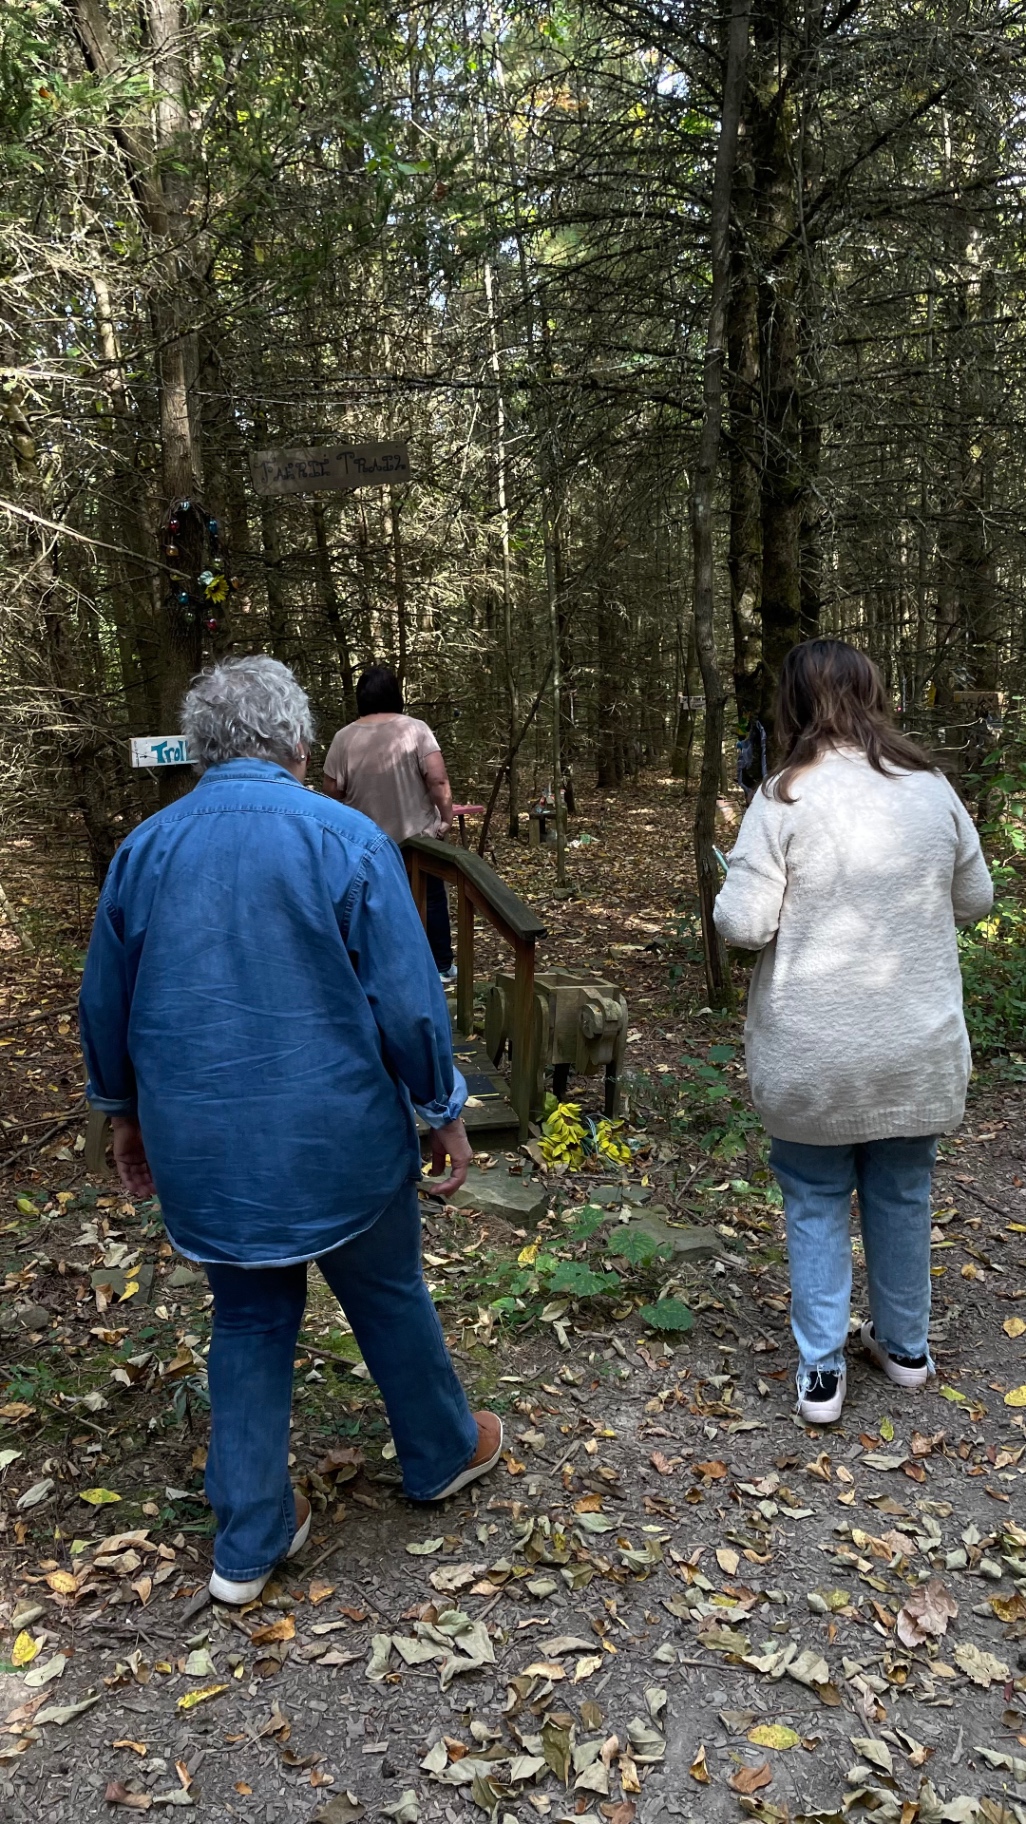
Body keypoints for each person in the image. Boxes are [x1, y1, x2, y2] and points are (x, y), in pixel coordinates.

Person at [79, 656, 502, 1605]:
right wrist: (441, 1109)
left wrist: (122, 1114)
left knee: (248, 1316)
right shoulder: (344, 839)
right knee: (387, 1290)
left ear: (201, 749)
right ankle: (441, 1452)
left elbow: (104, 1005)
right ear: (298, 743)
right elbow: (408, 999)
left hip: (207, 1145)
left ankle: (248, 1534)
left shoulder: (143, 851)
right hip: (339, 1135)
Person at [713, 639, 993, 1426]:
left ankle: (821, 1375)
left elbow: (743, 925)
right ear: (875, 696)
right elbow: (975, 899)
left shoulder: (783, 795)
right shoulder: (931, 788)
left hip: (812, 1054)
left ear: (794, 705)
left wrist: (730, 879)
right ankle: (905, 1350)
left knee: (814, 1199)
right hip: (916, 1047)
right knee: (903, 1193)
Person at [323, 665, 456, 980]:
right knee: (430, 900)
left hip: (365, 847)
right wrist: (446, 817)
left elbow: (332, 791)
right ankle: (440, 966)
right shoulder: (416, 730)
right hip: (417, 840)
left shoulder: (343, 738)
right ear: (395, 695)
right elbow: (437, 779)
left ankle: (380, 970)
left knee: (372, 907)